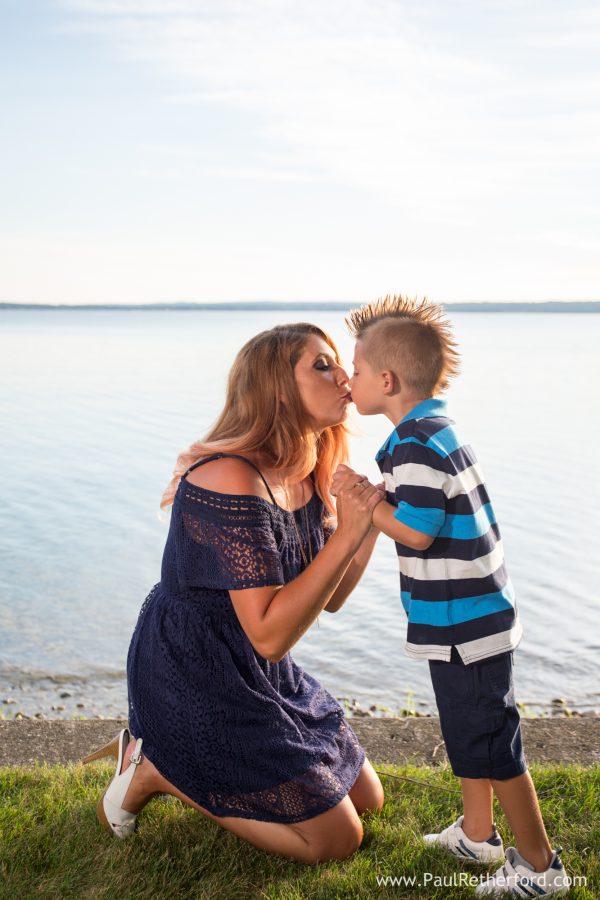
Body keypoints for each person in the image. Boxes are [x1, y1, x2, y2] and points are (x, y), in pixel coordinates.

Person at [82, 322, 385, 864]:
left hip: (259, 669)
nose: (344, 377)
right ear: (275, 388)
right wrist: (349, 534)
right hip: (194, 670)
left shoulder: (311, 466)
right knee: (337, 841)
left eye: (338, 363)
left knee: (369, 799)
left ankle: (171, 764)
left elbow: (331, 598)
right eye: (321, 365)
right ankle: (157, 770)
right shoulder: (230, 476)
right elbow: (270, 634)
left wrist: (366, 527)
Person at [331, 295, 569, 897]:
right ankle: (478, 834)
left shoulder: (416, 443)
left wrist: (365, 504)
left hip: (468, 621)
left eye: (355, 371)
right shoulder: (431, 430)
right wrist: (377, 495)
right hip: (462, 617)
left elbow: (417, 529)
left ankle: (542, 869)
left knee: (493, 739)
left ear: (386, 380)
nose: (348, 381)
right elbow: (418, 509)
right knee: (468, 728)